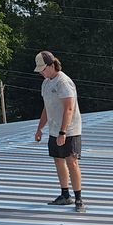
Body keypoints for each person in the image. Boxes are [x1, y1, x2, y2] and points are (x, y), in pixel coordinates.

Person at [34, 51, 85, 211]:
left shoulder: (63, 82)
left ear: (51, 66)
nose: (41, 72)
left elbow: (69, 108)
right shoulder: (46, 83)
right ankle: (65, 195)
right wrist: (39, 128)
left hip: (69, 130)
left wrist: (63, 132)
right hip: (54, 129)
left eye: (43, 69)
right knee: (58, 160)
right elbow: (46, 108)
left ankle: (79, 199)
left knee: (72, 162)